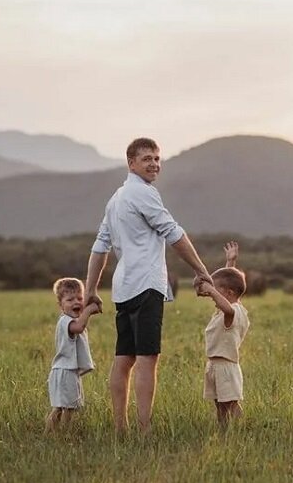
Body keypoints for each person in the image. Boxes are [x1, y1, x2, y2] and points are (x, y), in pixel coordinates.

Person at [84, 137, 213, 435]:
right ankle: (144, 430)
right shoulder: (143, 193)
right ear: (131, 163)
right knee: (146, 358)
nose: (154, 164)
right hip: (146, 285)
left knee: (124, 358)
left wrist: (92, 289)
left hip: (124, 288)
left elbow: (99, 246)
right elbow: (173, 233)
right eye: (147, 159)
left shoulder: (115, 199)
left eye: (157, 158)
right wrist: (202, 270)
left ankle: (120, 428)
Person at [196, 242, 250, 429]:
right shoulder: (228, 307)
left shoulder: (232, 312)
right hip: (215, 365)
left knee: (231, 404)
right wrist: (230, 263)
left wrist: (210, 289)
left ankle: (243, 429)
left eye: (215, 291)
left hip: (226, 366)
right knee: (219, 405)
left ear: (227, 293)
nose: (212, 295)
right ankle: (224, 431)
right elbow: (229, 284)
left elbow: (228, 303)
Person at [46, 278, 99, 433]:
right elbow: (80, 327)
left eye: (80, 298)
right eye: (69, 299)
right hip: (65, 371)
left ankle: (52, 434)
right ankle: (63, 435)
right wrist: (89, 310)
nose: (76, 302)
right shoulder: (66, 321)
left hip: (66, 371)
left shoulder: (71, 319)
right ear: (60, 305)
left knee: (62, 408)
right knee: (67, 408)